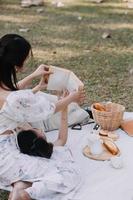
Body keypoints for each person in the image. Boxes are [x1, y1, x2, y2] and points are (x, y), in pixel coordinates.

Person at [0, 33, 85, 200]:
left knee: (29, 174)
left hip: (7, 151)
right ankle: (26, 194)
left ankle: (19, 188)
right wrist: (72, 97)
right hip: (5, 157)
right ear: (17, 64)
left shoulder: (7, 92)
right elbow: (49, 109)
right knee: (68, 173)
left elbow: (13, 97)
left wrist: (36, 82)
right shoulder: (13, 99)